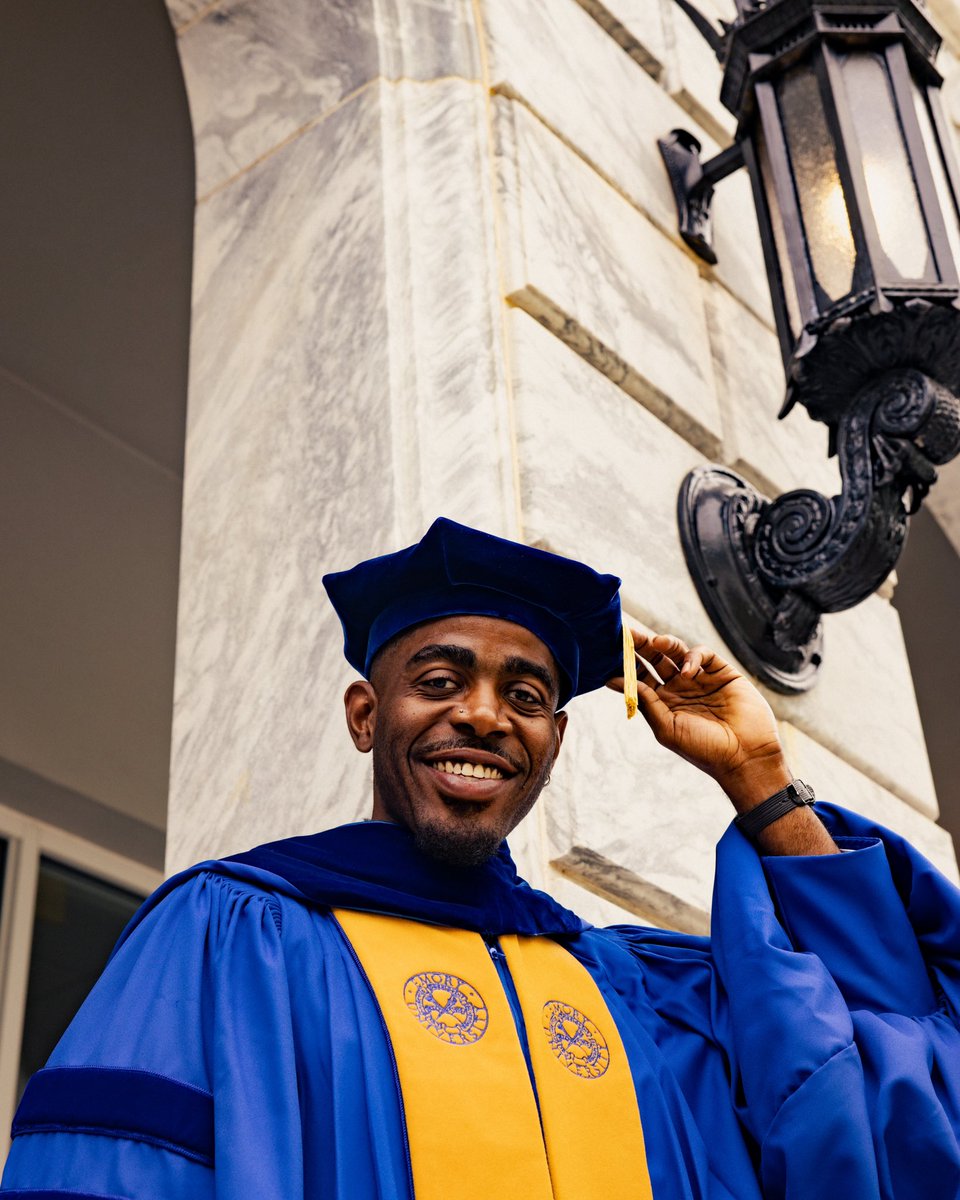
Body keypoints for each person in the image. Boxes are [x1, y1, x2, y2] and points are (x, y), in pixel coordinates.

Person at [4, 517, 960, 1200]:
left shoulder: (634, 996)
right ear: (365, 716)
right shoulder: (230, 933)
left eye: (528, 693)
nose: (484, 714)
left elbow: (891, 1072)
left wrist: (758, 777)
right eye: (438, 678)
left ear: (551, 740)